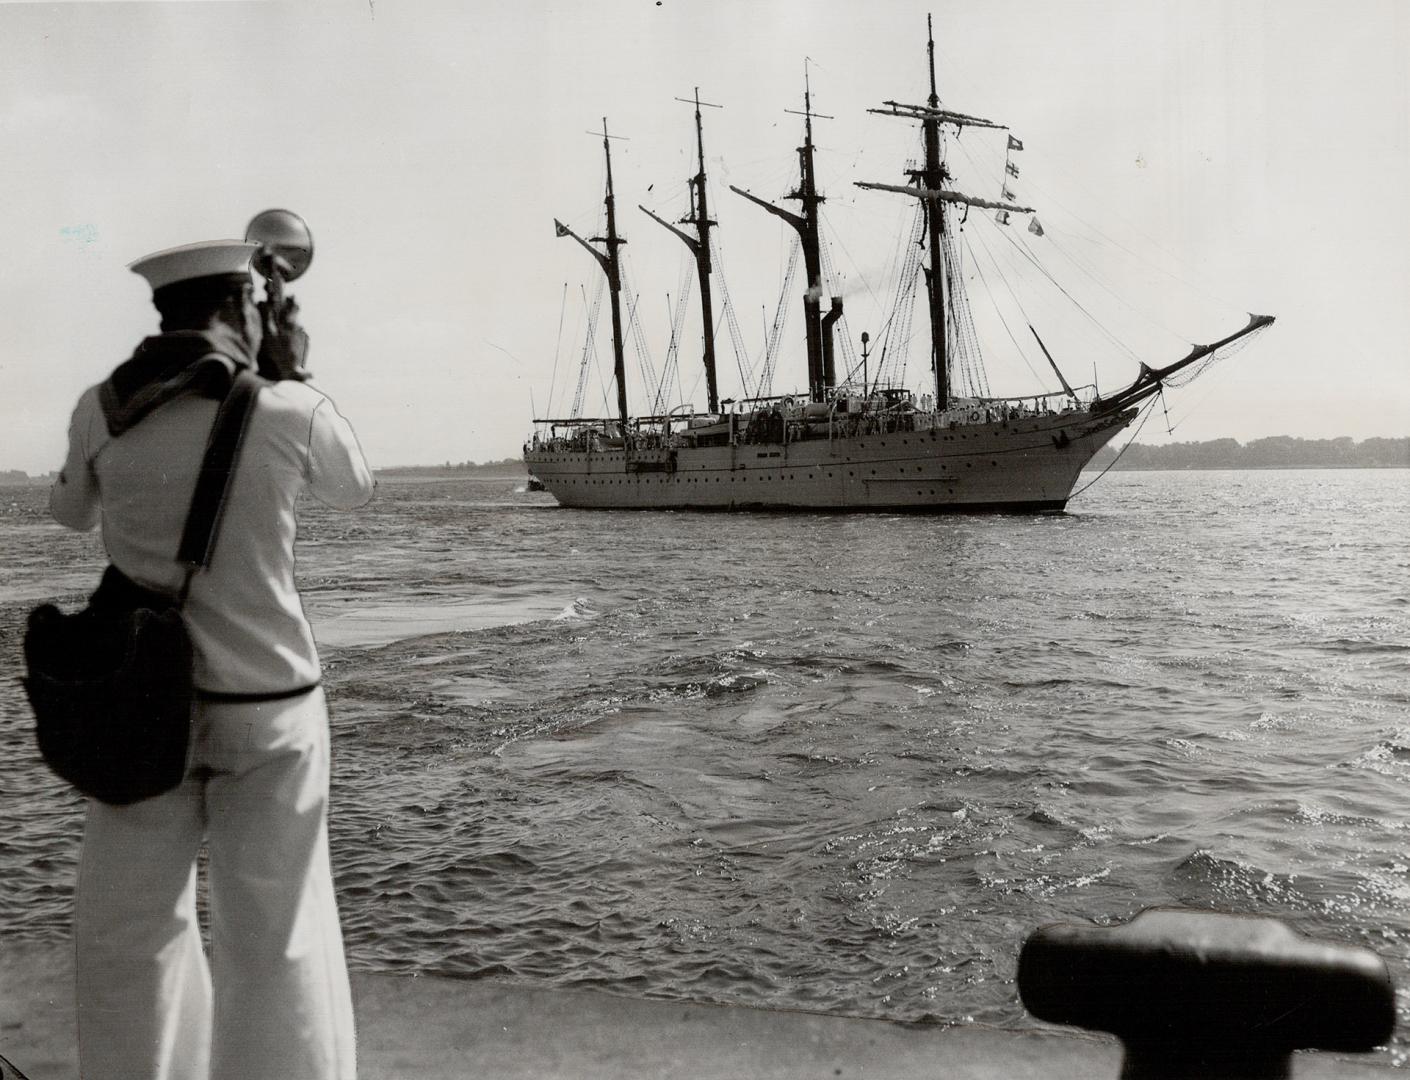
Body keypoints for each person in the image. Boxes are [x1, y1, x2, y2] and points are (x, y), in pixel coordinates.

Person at [49, 237, 374, 1080]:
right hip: (267, 706)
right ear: (239, 309)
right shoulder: (284, 408)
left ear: (164, 312)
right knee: (276, 935)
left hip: (140, 704)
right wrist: (291, 372)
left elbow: (69, 515)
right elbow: (355, 486)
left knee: (132, 930)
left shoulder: (101, 406)